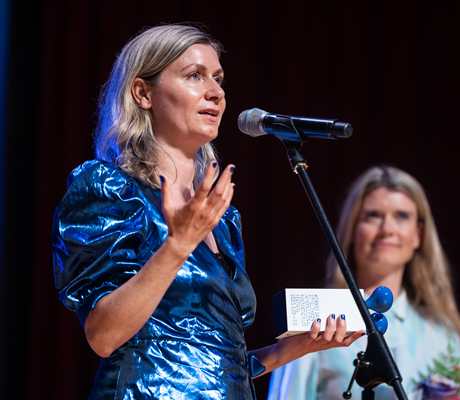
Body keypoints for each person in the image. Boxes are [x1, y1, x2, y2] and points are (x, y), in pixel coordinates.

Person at [51, 24, 364, 400]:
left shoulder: (222, 218)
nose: (216, 92)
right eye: (194, 76)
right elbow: (103, 335)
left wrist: (293, 348)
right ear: (143, 93)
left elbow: (212, 359)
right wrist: (177, 245)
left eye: (218, 78)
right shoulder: (109, 187)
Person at [268, 166, 460, 399]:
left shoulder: (442, 334)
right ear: (353, 228)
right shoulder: (315, 319)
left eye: (402, 216)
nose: (387, 229)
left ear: (418, 235)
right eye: (373, 215)